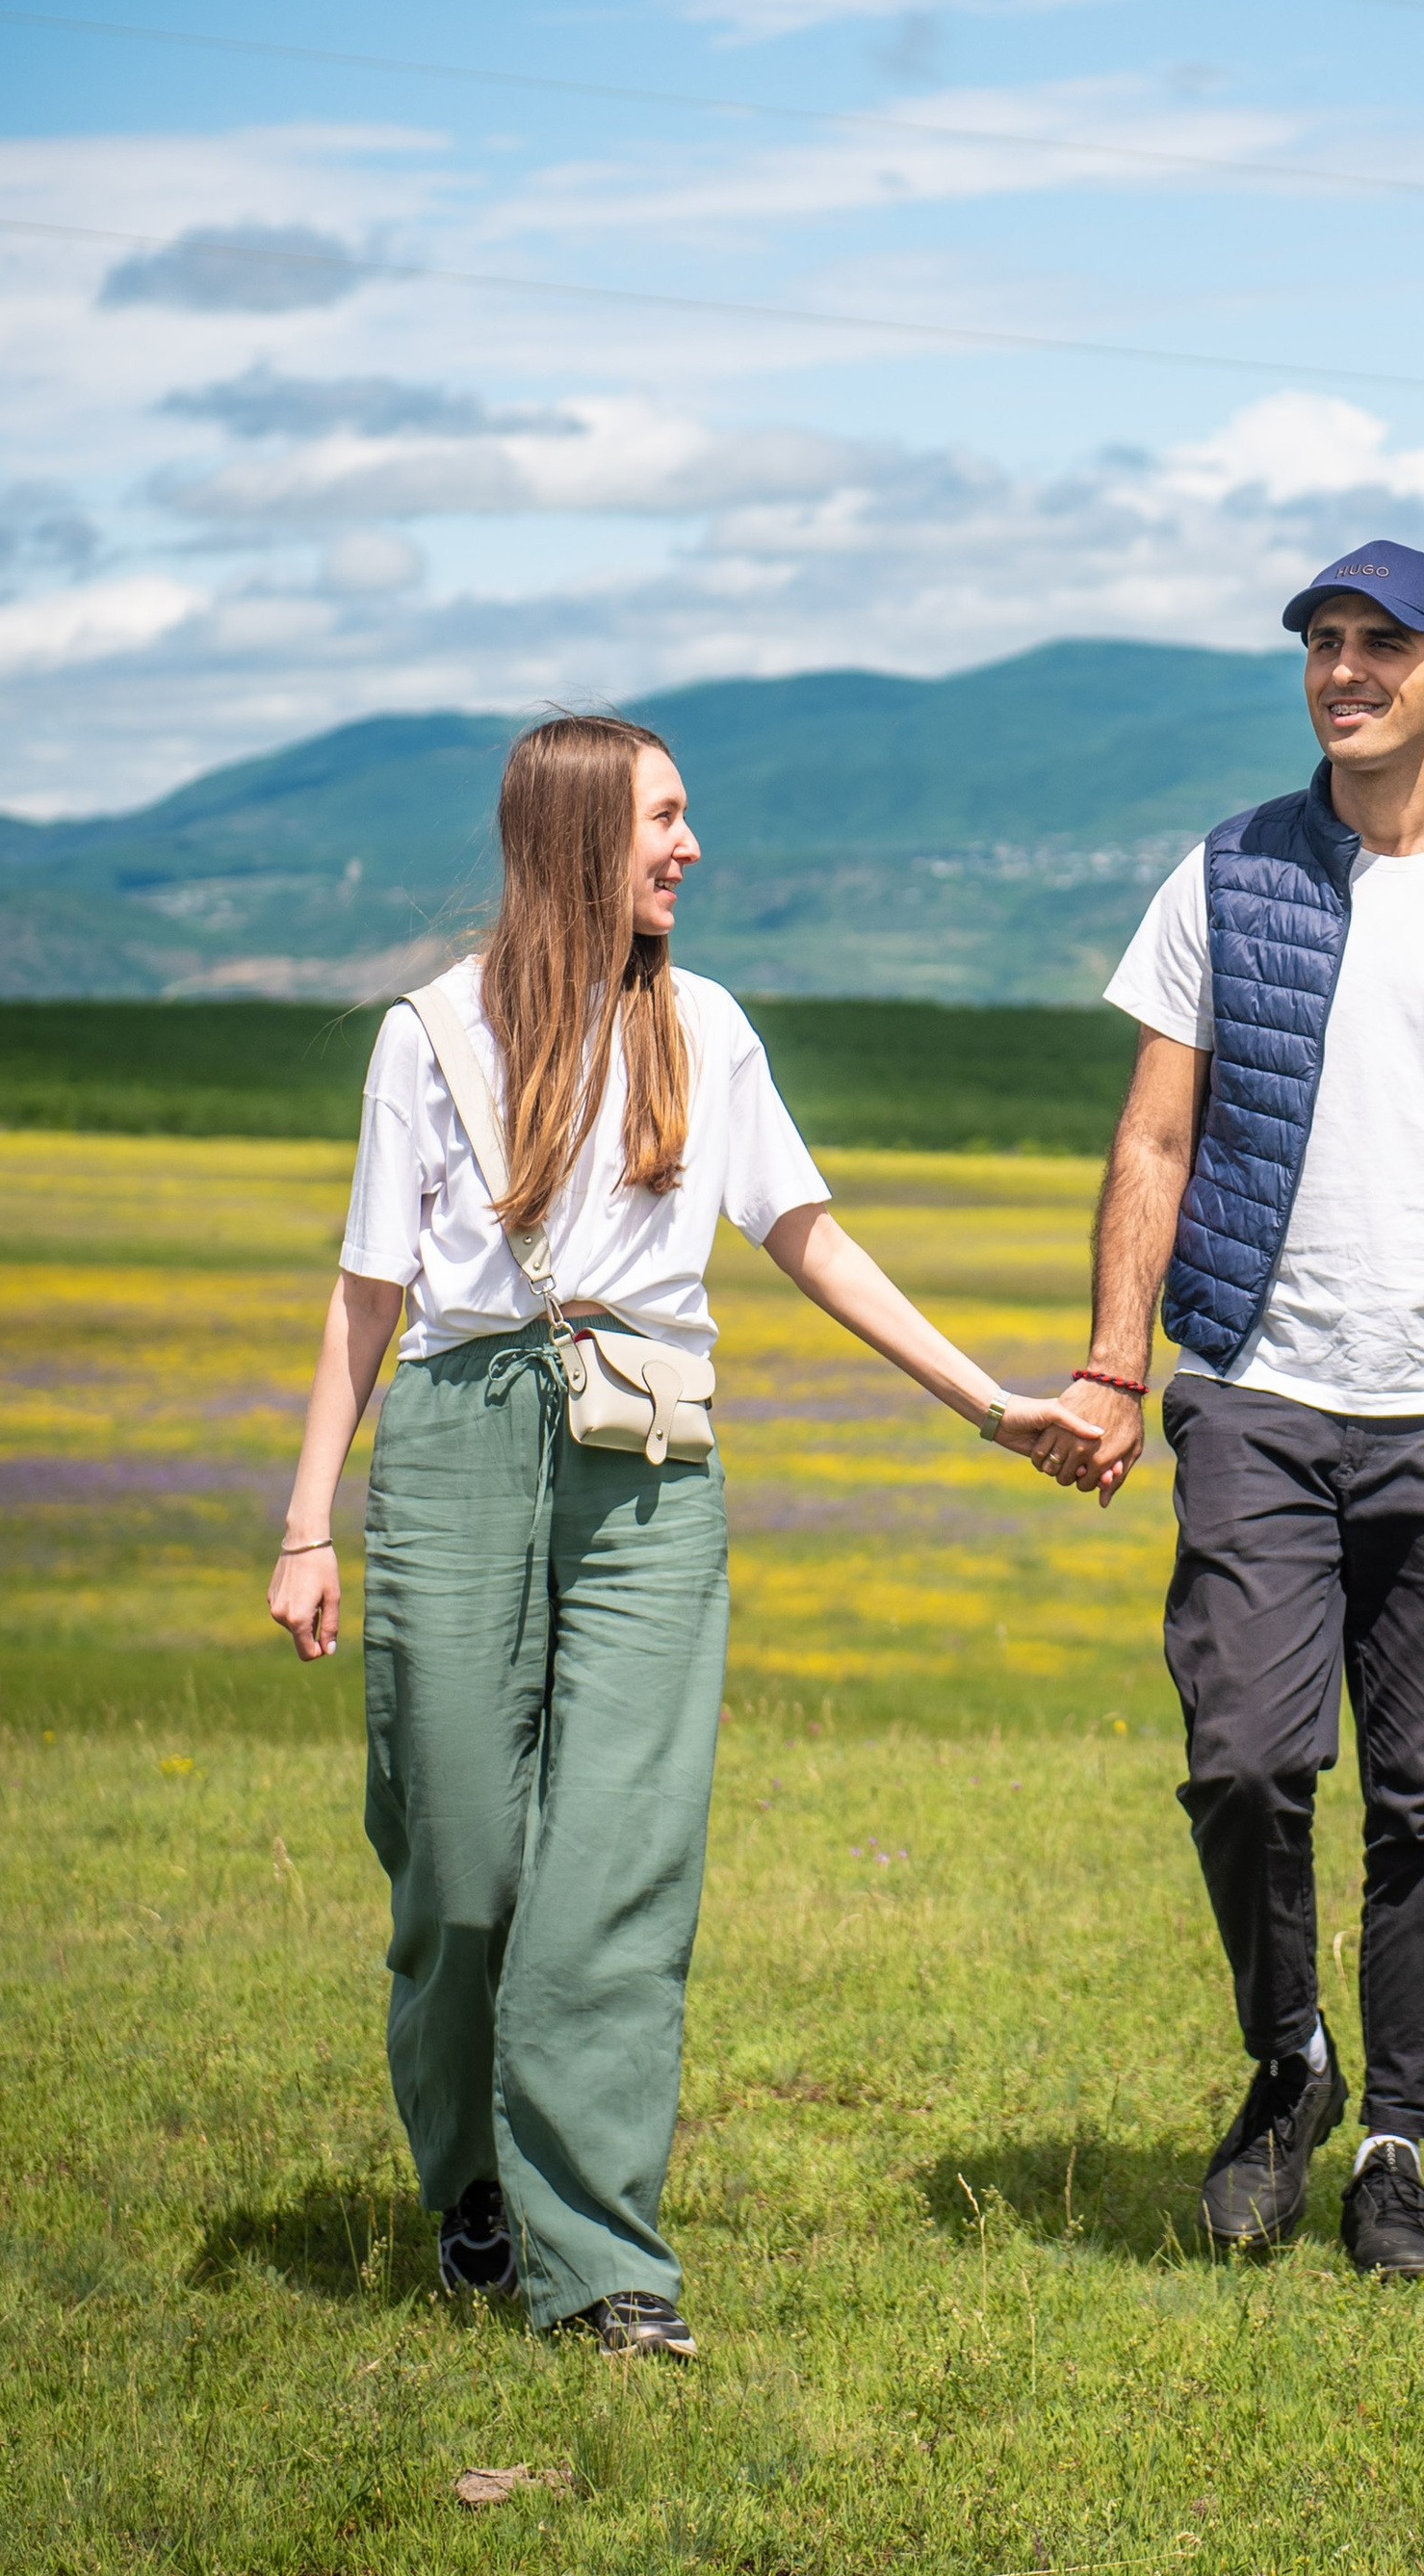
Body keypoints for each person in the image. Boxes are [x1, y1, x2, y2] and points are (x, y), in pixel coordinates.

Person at [268, 711, 1096, 2359]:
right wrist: (309, 1521)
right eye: (663, 816)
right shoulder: (425, 1036)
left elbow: (807, 1236)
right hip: (455, 1448)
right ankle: (470, 2189)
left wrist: (987, 1401)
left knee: (621, 1862)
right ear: (579, 835)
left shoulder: (703, 1031)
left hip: (652, 1456)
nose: (691, 846)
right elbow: (371, 1291)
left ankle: (605, 2263)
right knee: (461, 1866)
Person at [1045, 542, 1424, 2279]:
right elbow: (1155, 1131)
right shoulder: (1225, 876)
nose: (1344, 666)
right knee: (1241, 1759)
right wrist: (1112, 1358)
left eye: (1384, 643)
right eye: (1320, 641)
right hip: (1260, 1394)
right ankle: (1289, 2062)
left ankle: (1396, 2153)